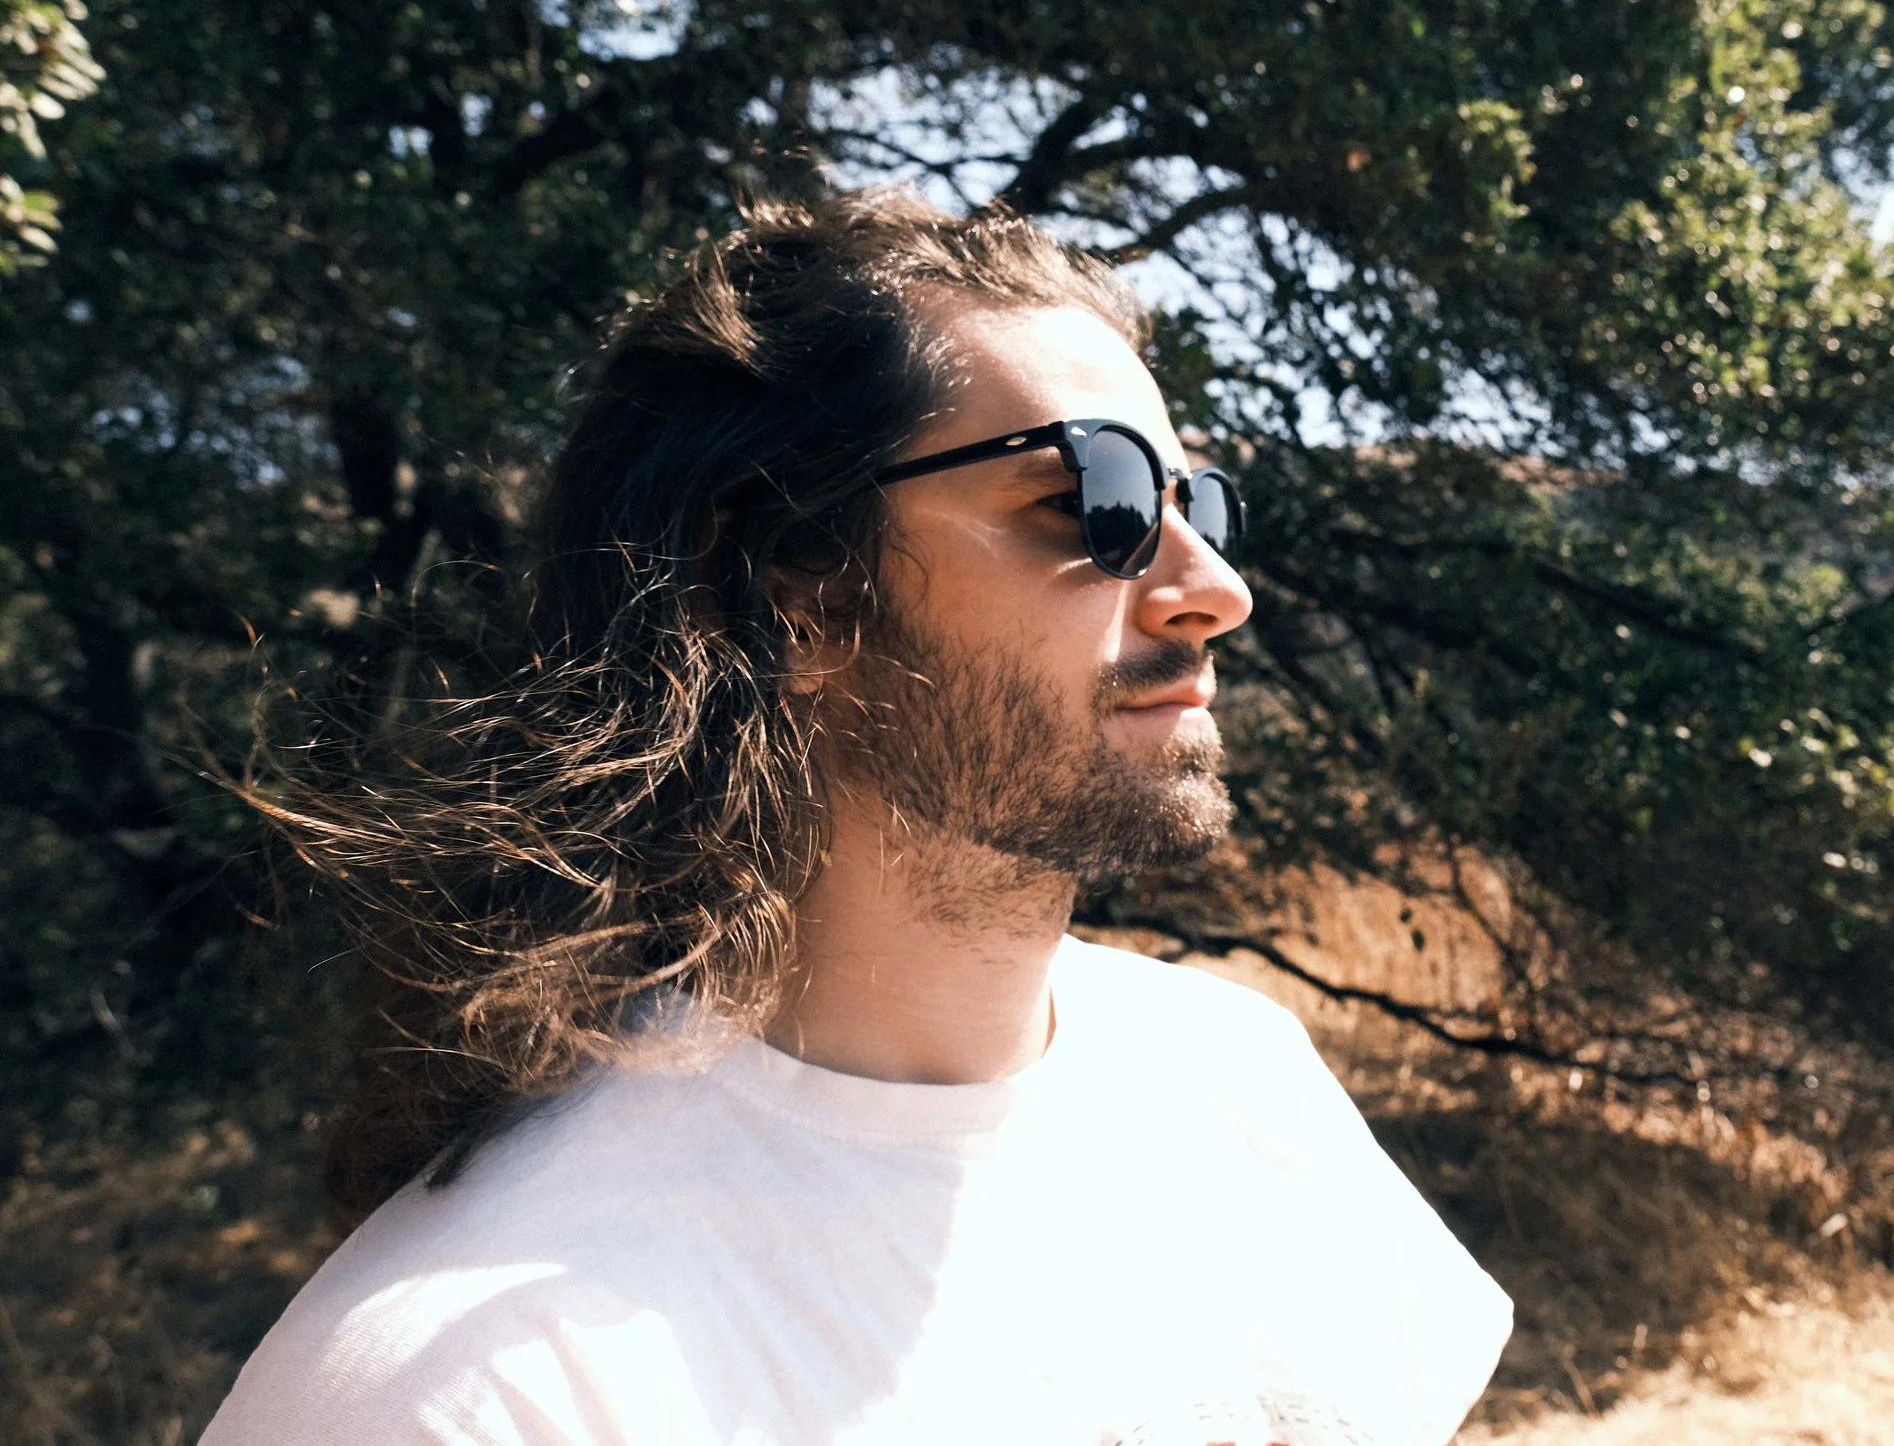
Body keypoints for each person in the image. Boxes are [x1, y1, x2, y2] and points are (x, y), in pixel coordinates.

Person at [204, 190, 1513, 1446]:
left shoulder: (1238, 1081)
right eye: (1097, 501)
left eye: (1199, 503)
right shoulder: (484, 1387)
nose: (1213, 587)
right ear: (795, 588)